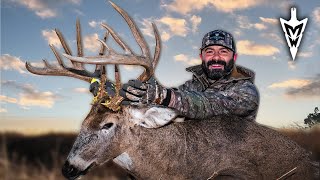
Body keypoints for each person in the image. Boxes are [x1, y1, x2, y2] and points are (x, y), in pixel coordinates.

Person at [92, 30, 260, 122]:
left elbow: (209, 105)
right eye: (210, 52)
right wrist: (114, 92)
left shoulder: (246, 91)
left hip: (230, 164)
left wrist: (161, 95)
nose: (216, 57)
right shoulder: (192, 86)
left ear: (234, 58)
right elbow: (167, 103)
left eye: (223, 52)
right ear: (202, 56)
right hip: (191, 156)